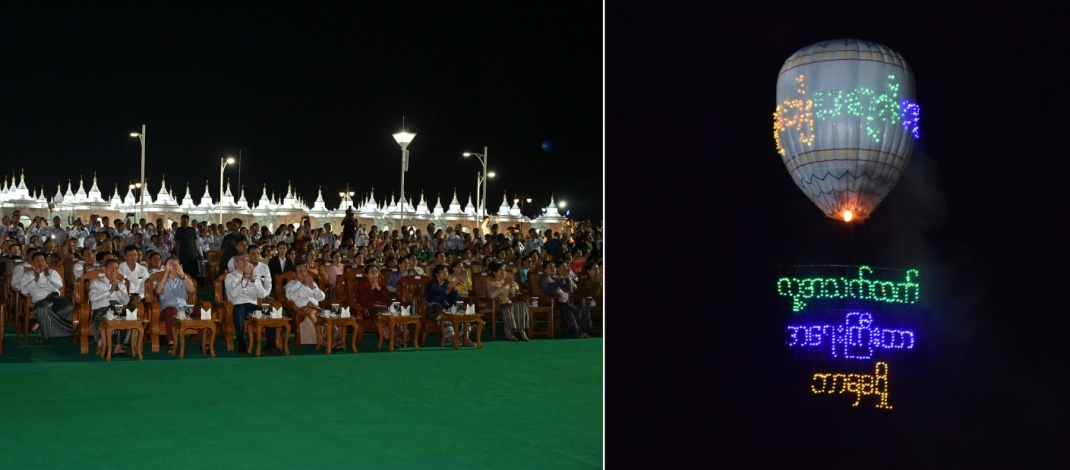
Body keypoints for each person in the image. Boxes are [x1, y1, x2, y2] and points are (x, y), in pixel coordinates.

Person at [286, 262, 341, 350]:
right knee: (316, 316)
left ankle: (333, 339)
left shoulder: (312, 283)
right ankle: (324, 342)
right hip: (302, 310)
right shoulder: (291, 285)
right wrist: (304, 285)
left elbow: (322, 297)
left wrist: (313, 287)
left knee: (330, 318)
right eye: (300, 271)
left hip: (317, 309)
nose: (304, 273)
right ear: (294, 274)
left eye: (304, 271)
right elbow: (291, 297)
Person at [21, 252, 73, 343]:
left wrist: (48, 275)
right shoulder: (28, 275)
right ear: (32, 263)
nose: (40, 263)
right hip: (41, 301)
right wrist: (35, 280)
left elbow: (60, 285)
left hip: (55, 298)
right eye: (37, 261)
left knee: (69, 307)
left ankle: (71, 332)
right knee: (43, 309)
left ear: (46, 263)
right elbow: (24, 291)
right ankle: (45, 335)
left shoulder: (52, 272)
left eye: (42, 260)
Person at [225, 253, 271, 354]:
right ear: (236, 263)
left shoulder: (255, 276)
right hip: (236, 305)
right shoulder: (230, 276)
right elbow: (233, 293)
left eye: (247, 259)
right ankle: (241, 343)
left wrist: (254, 281)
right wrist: (245, 277)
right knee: (239, 310)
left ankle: (270, 345)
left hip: (252, 306)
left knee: (269, 314)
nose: (246, 262)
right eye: (243, 260)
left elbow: (263, 295)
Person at [152, 258, 197, 354]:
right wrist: (166, 274)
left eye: (176, 264)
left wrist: (183, 275)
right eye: (171, 264)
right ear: (165, 267)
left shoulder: (184, 278)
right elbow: (158, 291)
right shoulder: (159, 280)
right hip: (167, 311)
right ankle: (171, 342)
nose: (174, 266)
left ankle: (205, 343)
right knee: (171, 310)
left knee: (202, 309)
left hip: (184, 310)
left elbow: (192, 290)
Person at [356, 264, 407, 348]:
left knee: (392, 315)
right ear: (366, 274)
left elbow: (388, 299)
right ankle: (393, 339)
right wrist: (372, 288)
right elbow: (363, 299)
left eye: (376, 271)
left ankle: (398, 337)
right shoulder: (362, 284)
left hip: (383, 309)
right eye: (372, 271)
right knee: (382, 317)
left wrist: (378, 288)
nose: (374, 273)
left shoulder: (381, 285)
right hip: (369, 310)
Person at [89, 258, 131, 356]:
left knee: (124, 315)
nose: (114, 270)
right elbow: (92, 298)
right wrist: (109, 291)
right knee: (105, 316)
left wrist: (116, 289)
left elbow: (126, 301)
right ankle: (100, 346)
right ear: (104, 269)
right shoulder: (96, 283)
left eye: (116, 268)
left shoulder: (120, 284)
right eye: (111, 268)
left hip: (117, 309)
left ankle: (118, 347)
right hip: (101, 310)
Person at [539, 261, 592, 338]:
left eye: (554, 267)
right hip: (553, 302)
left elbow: (568, 290)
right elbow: (549, 289)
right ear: (545, 270)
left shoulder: (558, 277)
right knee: (567, 308)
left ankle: (586, 330)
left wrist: (567, 279)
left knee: (582, 303)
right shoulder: (543, 278)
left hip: (564, 301)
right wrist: (562, 279)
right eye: (550, 267)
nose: (553, 268)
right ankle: (577, 333)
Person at [425, 264, 472, 346]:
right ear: (436, 274)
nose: (445, 273)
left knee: (463, 316)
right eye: (442, 271)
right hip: (433, 309)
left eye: (446, 271)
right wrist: (449, 289)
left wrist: (454, 288)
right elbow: (436, 300)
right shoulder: (432, 284)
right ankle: (453, 339)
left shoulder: (447, 283)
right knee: (445, 318)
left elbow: (455, 299)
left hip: (446, 308)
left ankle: (465, 338)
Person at [486, 261, 529, 341]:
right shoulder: (491, 282)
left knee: (522, 305)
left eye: (504, 270)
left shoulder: (507, 281)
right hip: (498, 304)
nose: (503, 272)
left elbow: (513, 296)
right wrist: (505, 285)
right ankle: (508, 333)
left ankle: (522, 331)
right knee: (509, 307)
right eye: (501, 270)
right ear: (495, 273)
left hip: (509, 303)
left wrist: (512, 285)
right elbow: (492, 296)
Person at [173, 214, 200, 280]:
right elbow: (177, 242)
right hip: (183, 252)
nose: (183, 222)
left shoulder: (192, 230)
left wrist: (196, 251)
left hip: (192, 252)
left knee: (193, 268)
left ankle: (193, 282)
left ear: (188, 221)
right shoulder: (179, 230)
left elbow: (195, 241)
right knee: (183, 268)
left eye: (185, 220)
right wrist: (177, 252)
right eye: (182, 220)